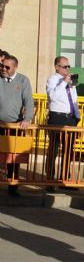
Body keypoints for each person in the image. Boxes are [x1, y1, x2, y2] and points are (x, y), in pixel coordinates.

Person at [0, 54, 34, 198]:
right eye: (2, 66)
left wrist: (27, 119)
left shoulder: (23, 80)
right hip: (0, 125)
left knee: (13, 159)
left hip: (15, 126)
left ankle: (13, 187)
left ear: (15, 67)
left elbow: (29, 101)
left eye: (7, 67)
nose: (3, 69)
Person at [45, 56, 80, 184]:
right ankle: (49, 179)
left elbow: (74, 99)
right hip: (57, 117)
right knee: (54, 149)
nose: (67, 69)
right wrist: (64, 82)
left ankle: (64, 177)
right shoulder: (52, 80)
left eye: (68, 66)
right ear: (57, 67)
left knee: (68, 149)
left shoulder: (69, 81)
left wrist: (77, 116)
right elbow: (53, 97)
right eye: (65, 66)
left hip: (70, 118)